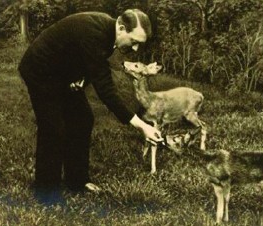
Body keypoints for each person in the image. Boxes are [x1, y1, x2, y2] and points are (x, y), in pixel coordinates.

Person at [18, 9, 163, 204]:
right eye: (134, 42)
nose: (135, 49)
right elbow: (106, 89)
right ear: (121, 27)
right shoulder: (95, 32)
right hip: (40, 70)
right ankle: (46, 191)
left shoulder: (110, 34)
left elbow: (86, 59)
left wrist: (81, 78)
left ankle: (77, 181)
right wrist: (142, 125)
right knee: (54, 128)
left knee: (83, 119)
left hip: (61, 72)